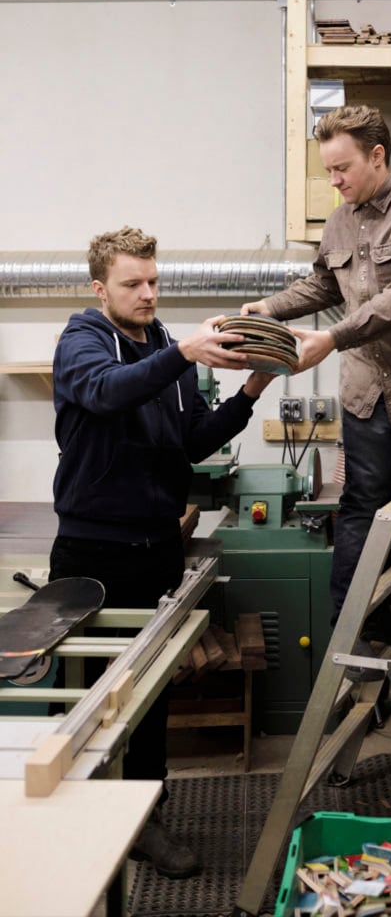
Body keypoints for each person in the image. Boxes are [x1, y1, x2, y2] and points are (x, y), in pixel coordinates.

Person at [50, 226, 273, 878]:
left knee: (147, 699)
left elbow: (193, 442)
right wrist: (184, 357)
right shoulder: (84, 340)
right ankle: (83, 822)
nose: (147, 293)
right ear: (101, 288)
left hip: (156, 549)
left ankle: (146, 816)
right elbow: (105, 392)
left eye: (153, 281)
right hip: (93, 552)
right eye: (132, 284)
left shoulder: (170, 349)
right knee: (91, 698)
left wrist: (250, 393)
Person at [241, 105, 391, 663]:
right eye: (328, 171)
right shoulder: (340, 219)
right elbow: (321, 284)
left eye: (341, 169)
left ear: (378, 156)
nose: (334, 181)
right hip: (366, 386)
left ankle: (383, 610)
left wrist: (331, 340)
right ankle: (354, 619)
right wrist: (267, 308)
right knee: (363, 499)